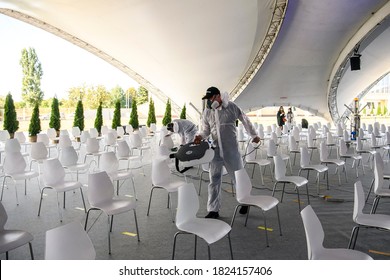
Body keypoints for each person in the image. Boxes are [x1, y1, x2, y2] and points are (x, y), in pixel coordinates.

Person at [194, 86, 260, 218]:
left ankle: (245, 201)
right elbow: (206, 130)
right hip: (216, 151)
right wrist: (200, 136)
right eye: (208, 99)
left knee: (238, 178)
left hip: (231, 150)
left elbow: (245, 120)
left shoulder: (231, 107)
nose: (209, 101)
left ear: (218, 96)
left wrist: (254, 135)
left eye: (211, 98)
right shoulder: (207, 112)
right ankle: (213, 210)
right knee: (214, 179)